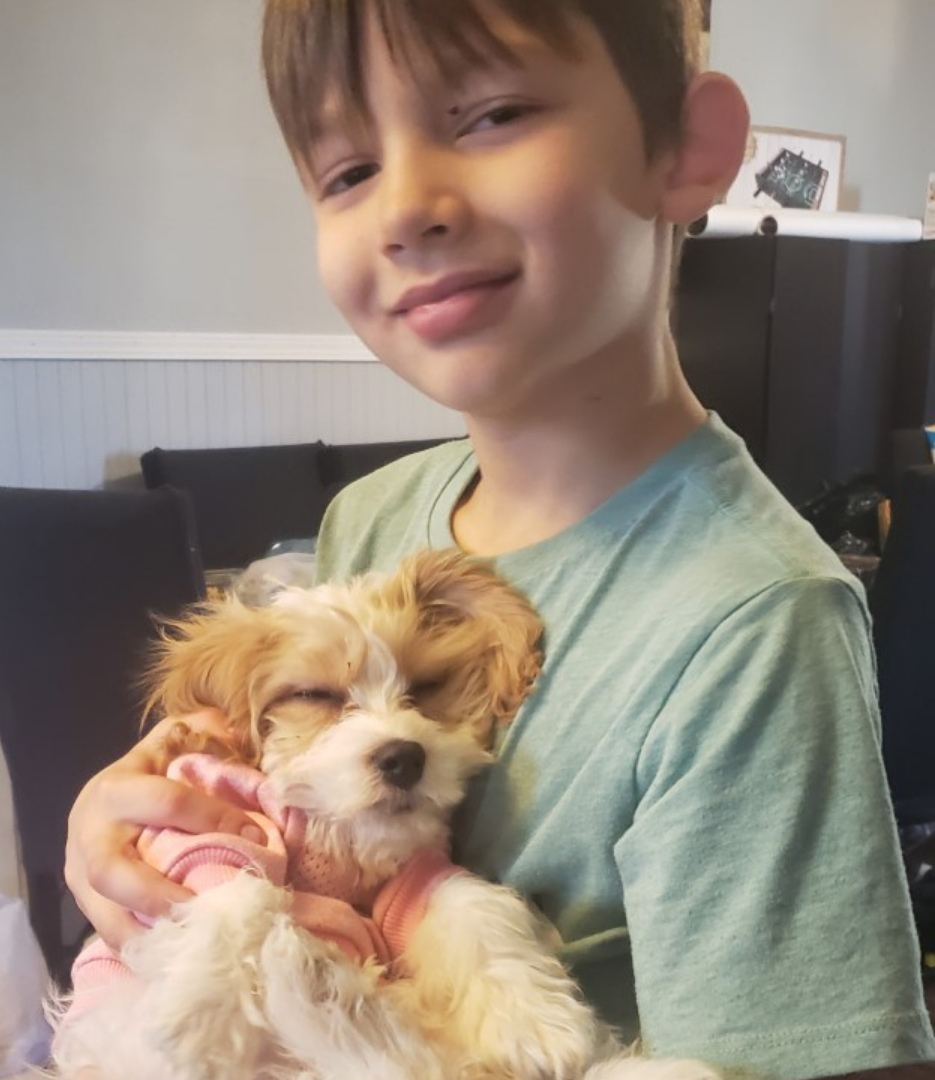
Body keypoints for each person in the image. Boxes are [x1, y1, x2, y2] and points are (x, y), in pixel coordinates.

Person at [64, 0, 935, 1076]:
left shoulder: (755, 624)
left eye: (491, 114)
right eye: (345, 173)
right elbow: (271, 815)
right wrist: (113, 828)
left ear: (686, 149)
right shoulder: (372, 520)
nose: (408, 208)